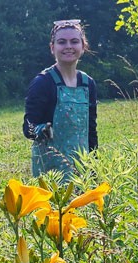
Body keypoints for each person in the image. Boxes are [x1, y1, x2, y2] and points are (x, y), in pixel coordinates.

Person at [23, 19, 98, 182]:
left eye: (74, 41)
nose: (68, 46)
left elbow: (91, 130)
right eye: (62, 42)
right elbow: (28, 128)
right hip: (51, 170)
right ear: (52, 48)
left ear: (83, 46)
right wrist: (41, 129)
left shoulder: (88, 84)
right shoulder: (42, 82)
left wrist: (94, 164)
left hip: (81, 167)